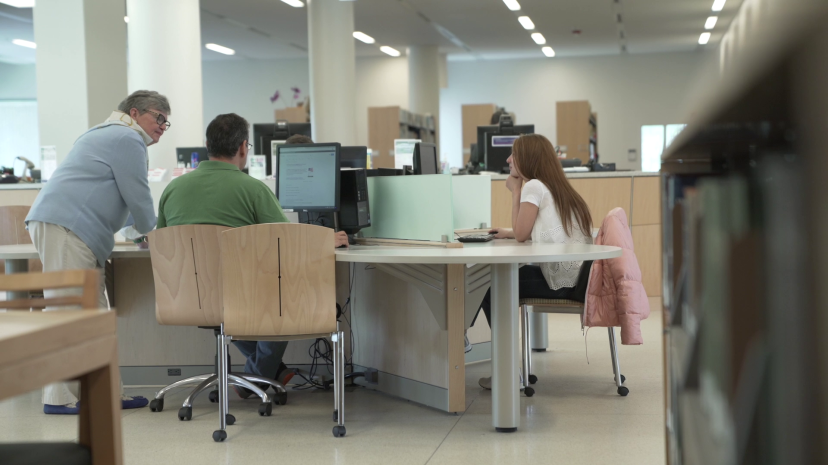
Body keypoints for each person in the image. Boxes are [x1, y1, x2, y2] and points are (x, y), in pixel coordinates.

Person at [156, 113, 348, 398]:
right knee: (283, 299)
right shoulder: (253, 189)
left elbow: (163, 239)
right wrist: (324, 239)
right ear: (244, 148)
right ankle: (258, 379)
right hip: (244, 298)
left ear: (207, 144)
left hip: (189, 297)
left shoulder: (172, 189)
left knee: (241, 303)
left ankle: (266, 373)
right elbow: (287, 243)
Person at [26, 90, 169, 414]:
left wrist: (141, 232)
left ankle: (106, 394)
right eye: (158, 117)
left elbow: (125, 199)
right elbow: (139, 196)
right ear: (135, 112)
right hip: (66, 226)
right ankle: (57, 398)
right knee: (69, 314)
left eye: (166, 121)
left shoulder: (114, 135)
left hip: (72, 229)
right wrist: (155, 233)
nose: (162, 125)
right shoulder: (126, 138)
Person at [475, 134, 594, 389]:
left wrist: (515, 190)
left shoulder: (532, 187)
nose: (508, 160)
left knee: (491, 285)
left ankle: (506, 372)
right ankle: (506, 365)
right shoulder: (556, 187)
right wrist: (509, 231)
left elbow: (520, 234)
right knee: (497, 282)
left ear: (528, 159)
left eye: (514, 155)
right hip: (579, 278)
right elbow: (526, 231)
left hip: (562, 282)